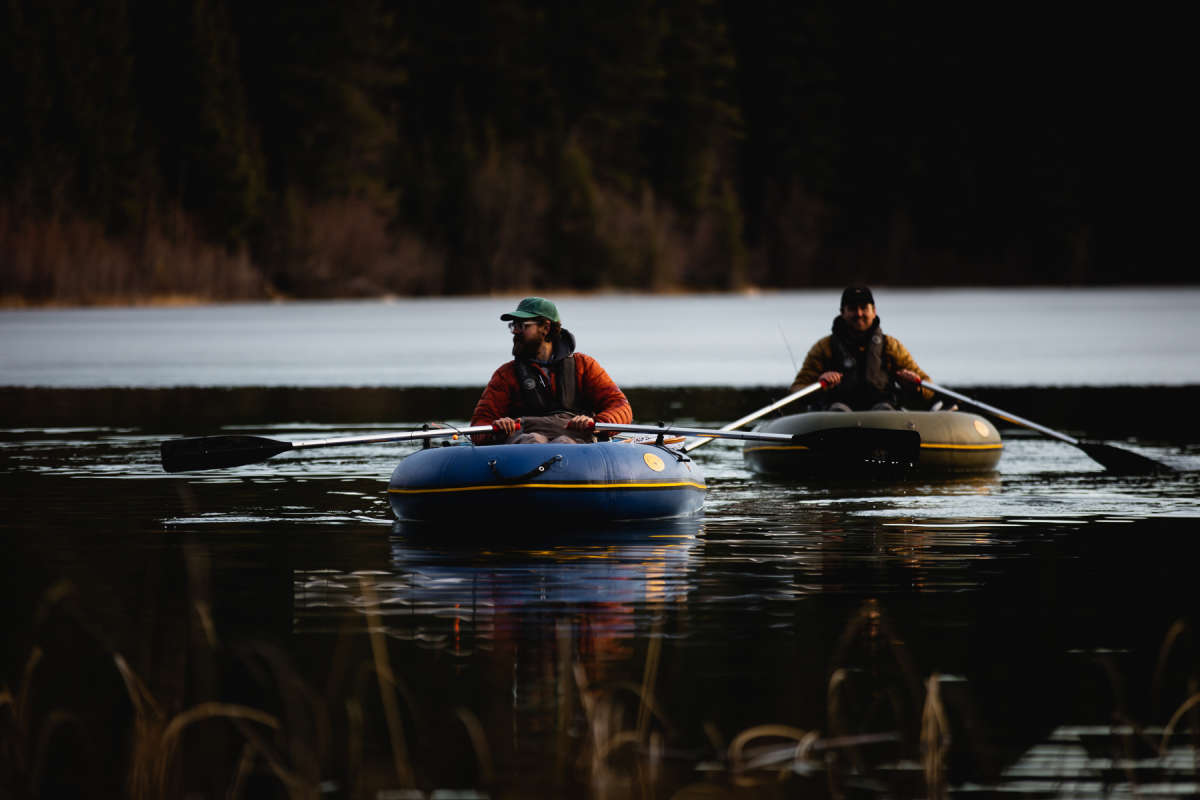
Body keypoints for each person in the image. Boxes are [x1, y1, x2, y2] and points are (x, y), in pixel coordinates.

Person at [470, 297, 633, 443]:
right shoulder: (506, 374)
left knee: (564, 442)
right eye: (513, 325)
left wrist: (596, 423)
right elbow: (480, 424)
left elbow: (620, 407)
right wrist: (497, 426)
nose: (515, 331)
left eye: (522, 326)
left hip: (574, 441)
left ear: (545, 328)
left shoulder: (584, 365)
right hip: (525, 442)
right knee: (533, 440)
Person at [790, 286, 935, 411]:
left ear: (874, 311)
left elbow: (928, 388)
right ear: (842, 312)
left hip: (883, 415)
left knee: (884, 410)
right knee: (838, 410)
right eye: (852, 309)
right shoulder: (824, 347)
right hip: (835, 417)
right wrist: (819, 383)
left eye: (864, 308)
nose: (859, 314)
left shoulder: (891, 346)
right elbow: (797, 390)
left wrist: (914, 385)